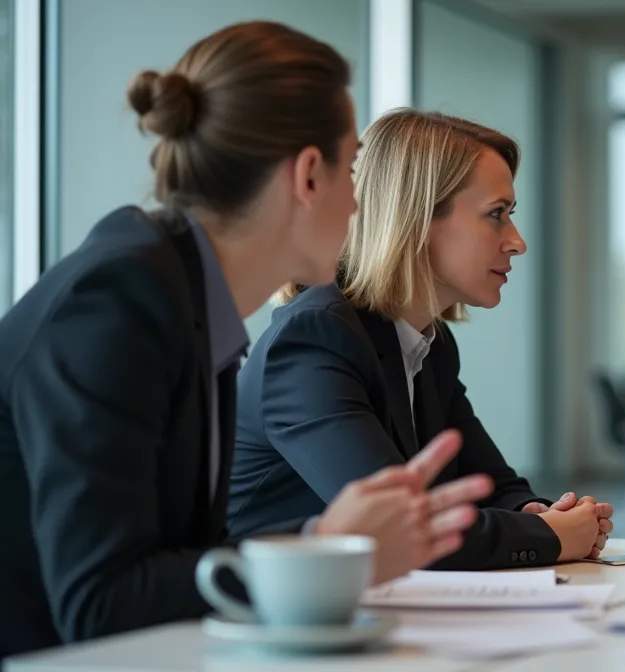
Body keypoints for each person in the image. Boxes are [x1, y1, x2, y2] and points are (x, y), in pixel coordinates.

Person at [0, 23, 496, 659]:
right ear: (308, 176)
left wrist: (332, 541)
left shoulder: (187, 299)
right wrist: (324, 549)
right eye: (354, 170)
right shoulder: (120, 300)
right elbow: (103, 603)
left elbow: (179, 564)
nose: (360, 204)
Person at [227, 109, 614, 570]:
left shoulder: (430, 344)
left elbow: (495, 485)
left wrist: (545, 515)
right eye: (496, 215)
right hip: (266, 620)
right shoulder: (313, 342)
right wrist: (549, 536)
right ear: (417, 218)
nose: (517, 242)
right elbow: (406, 527)